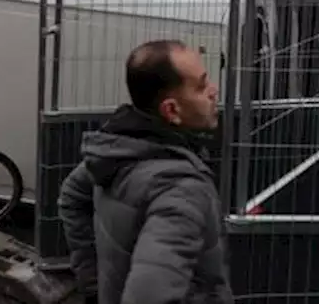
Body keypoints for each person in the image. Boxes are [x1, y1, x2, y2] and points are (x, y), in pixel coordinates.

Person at [58, 40, 230, 304]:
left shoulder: (118, 151)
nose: (213, 91)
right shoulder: (180, 189)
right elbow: (148, 294)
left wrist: (93, 285)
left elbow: (71, 195)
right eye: (201, 85)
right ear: (172, 110)